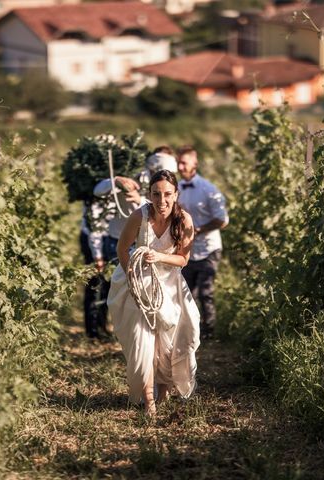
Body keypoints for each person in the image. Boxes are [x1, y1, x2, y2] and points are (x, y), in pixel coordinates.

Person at [107, 170, 200, 416]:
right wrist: (132, 276)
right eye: (156, 194)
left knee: (170, 343)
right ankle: (149, 402)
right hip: (138, 283)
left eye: (167, 194)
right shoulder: (139, 216)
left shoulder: (185, 220)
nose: (162, 201)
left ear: (176, 194)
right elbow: (122, 248)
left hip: (168, 285)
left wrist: (159, 256)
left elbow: (183, 259)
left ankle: (163, 390)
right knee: (142, 342)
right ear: (149, 195)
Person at [176, 146, 229, 339]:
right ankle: (190, 330)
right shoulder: (177, 189)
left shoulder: (209, 190)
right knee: (186, 292)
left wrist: (198, 229)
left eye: (184, 162)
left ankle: (209, 331)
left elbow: (222, 220)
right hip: (186, 249)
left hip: (208, 248)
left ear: (195, 164)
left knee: (205, 291)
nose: (180, 167)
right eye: (179, 163)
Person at [92, 146, 178, 262]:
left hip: (147, 243)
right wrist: (116, 181)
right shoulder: (133, 175)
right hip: (119, 239)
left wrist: (140, 200)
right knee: (120, 278)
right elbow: (98, 191)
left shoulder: (170, 186)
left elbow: (164, 207)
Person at [79, 199, 110, 340]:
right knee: (94, 284)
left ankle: (102, 326)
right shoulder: (96, 194)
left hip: (109, 238)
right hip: (93, 237)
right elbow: (94, 227)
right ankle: (92, 331)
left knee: (108, 285)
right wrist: (97, 255)